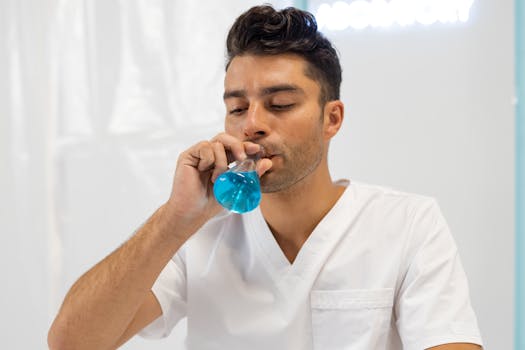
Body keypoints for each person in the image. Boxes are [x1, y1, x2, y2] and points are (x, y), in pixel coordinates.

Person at [48, 5, 483, 350]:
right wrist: (175, 218)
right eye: (237, 108)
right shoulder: (194, 233)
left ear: (331, 119)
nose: (251, 124)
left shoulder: (407, 224)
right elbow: (71, 343)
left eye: (279, 104)